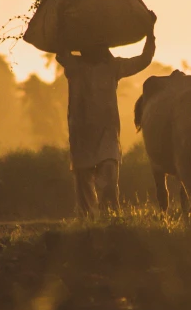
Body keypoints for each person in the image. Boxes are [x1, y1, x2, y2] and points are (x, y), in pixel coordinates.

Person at [56, 12, 157, 218]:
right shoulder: (74, 66)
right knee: (83, 186)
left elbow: (144, 59)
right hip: (81, 132)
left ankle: (110, 221)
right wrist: (60, 21)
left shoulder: (113, 67)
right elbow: (59, 50)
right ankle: (88, 226)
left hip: (107, 133)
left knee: (110, 178)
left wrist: (150, 31)